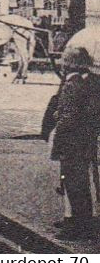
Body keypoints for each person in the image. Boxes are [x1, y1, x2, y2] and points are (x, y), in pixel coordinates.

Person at [48, 46, 100, 239]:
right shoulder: (90, 83)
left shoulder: (71, 84)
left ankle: (77, 228)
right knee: (81, 183)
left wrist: (58, 134)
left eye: (64, 60)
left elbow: (68, 118)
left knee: (73, 184)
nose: (61, 63)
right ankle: (82, 223)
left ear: (69, 64)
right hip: (85, 141)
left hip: (71, 142)